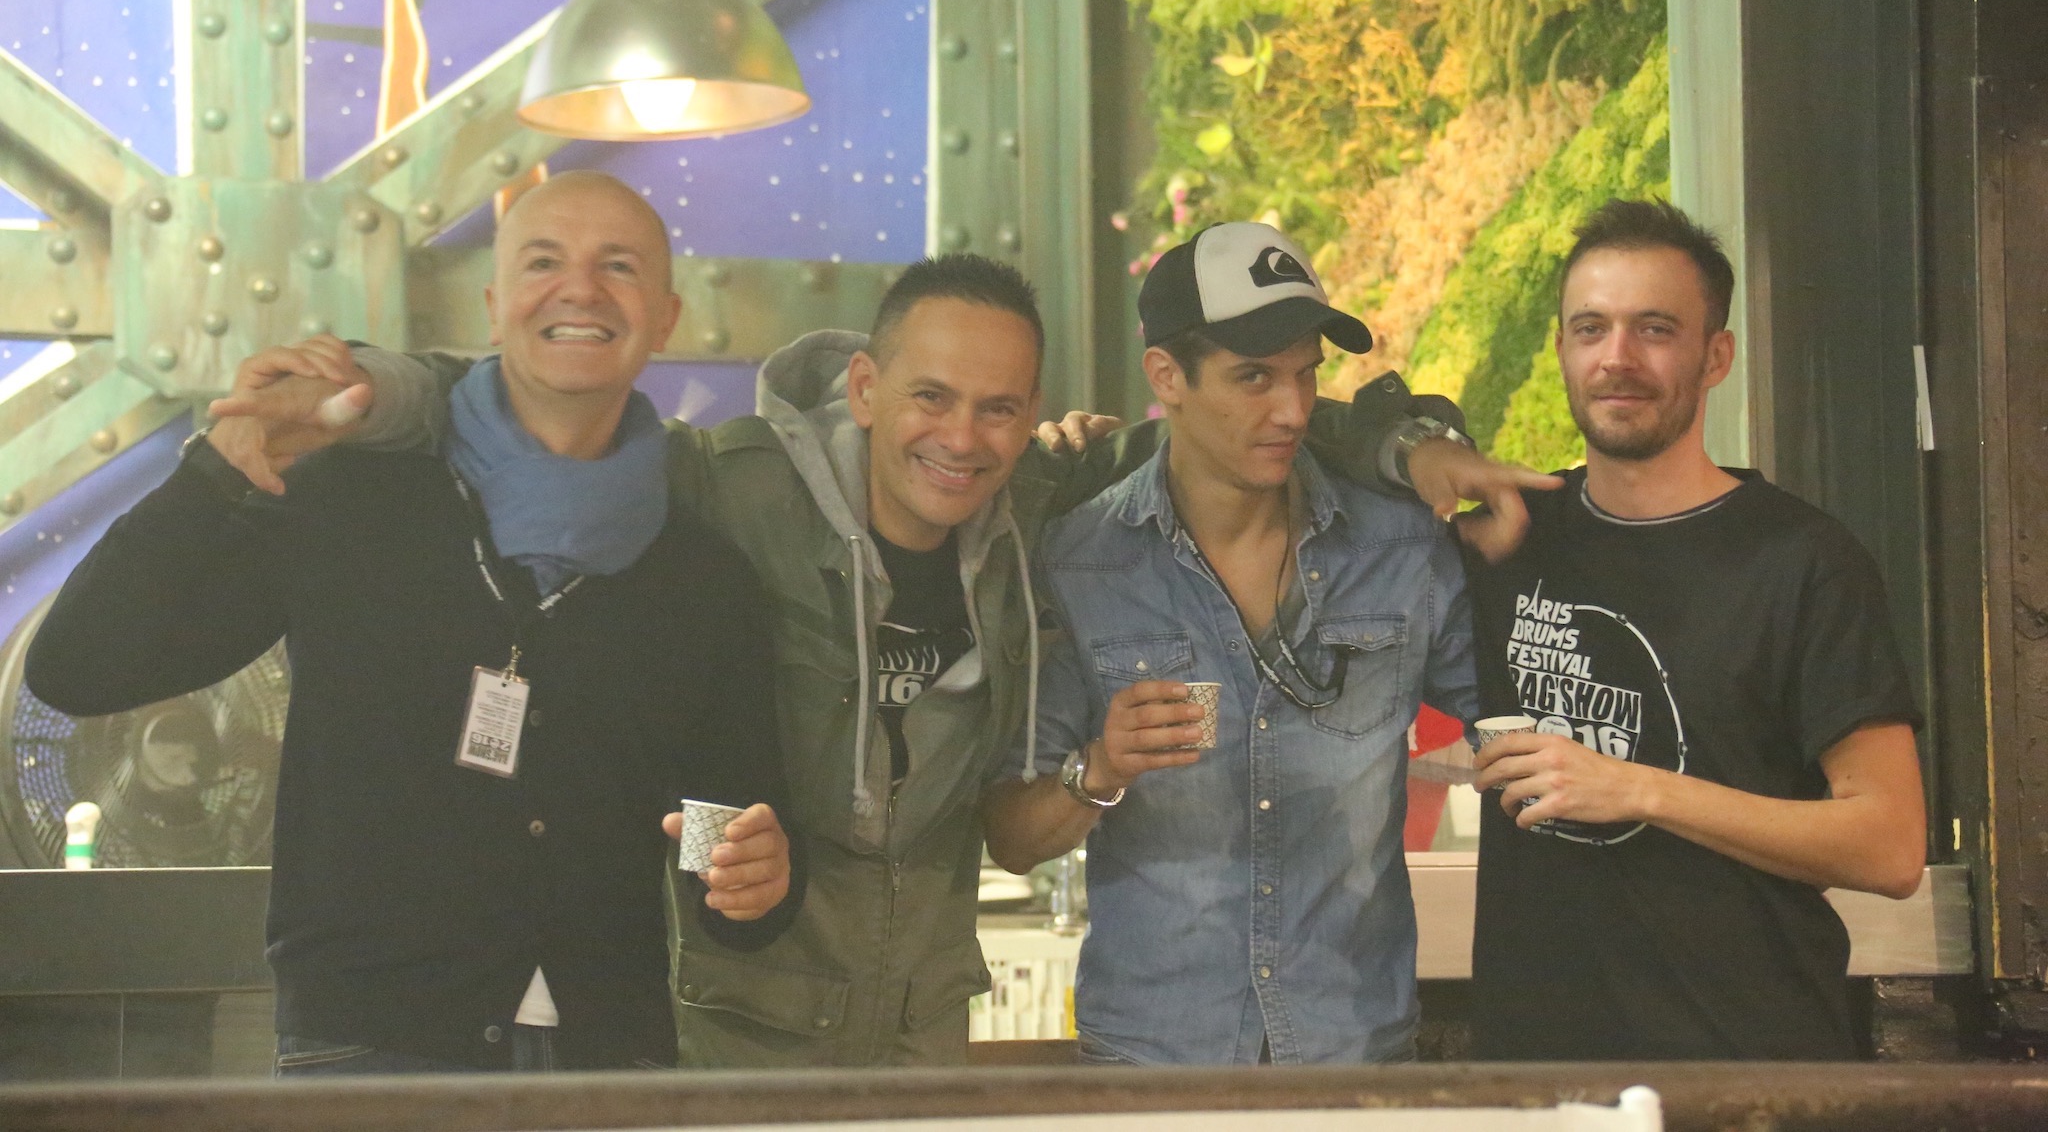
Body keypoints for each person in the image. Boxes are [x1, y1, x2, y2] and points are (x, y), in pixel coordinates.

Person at [205, 199, 1543, 1066]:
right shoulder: (729, 486)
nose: (963, 435)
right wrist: (378, 390)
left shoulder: (1045, 516)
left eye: (999, 408)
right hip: (726, 1027)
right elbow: (558, 407)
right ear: (862, 385)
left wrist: (1408, 438)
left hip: (926, 1036)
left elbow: (1258, 430)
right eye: (931, 397)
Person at [25, 171, 797, 1075]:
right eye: (544, 263)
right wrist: (215, 474)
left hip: (607, 1057)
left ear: (665, 319)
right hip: (366, 1050)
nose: (581, 290)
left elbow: (721, 830)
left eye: (618, 267)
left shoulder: (701, 576)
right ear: (494, 308)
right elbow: (80, 666)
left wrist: (749, 883)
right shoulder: (351, 497)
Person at [980, 221, 1480, 1065]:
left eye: (1305, 373)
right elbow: (1012, 836)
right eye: (1254, 377)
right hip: (1152, 1067)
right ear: (1166, 377)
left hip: (1354, 1061)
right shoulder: (1081, 560)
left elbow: (1521, 726)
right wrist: (1099, 770)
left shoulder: (1400, 547)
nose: (1292, 409)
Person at [1467, 199, 1926, 1061]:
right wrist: (1421, 450)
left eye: (1655, 329)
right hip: (1538, 1079)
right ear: (1561, 349)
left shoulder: (1805, 561)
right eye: (1591, 328)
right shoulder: (1511, 538)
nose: (1617, 357)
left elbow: (1891, 845)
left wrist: (1638, 789)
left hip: (1747, 1074)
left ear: (1716, 356)